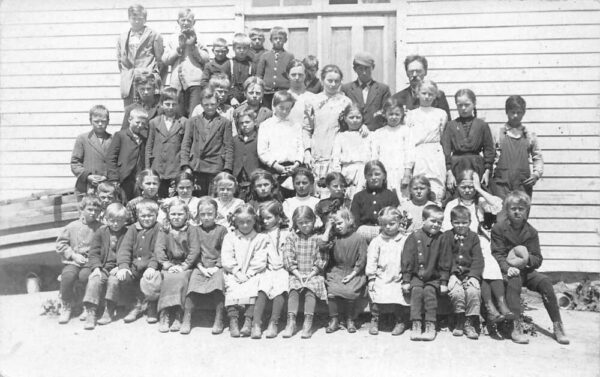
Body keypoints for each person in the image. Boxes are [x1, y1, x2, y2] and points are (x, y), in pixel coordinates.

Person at [491, 191, 569, 345]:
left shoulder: (531, 232)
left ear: (526, 210)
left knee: (545, 281)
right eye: (513, 208)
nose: (517, 211)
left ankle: (557, 325)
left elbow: (537, 258)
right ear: (507, 210)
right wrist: (508, 268)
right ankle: (516, 325)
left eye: (521, 208)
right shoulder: (499, 228)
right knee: (513, 282)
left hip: (526, 270)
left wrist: (526, 261)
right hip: (509, 271)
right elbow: (497, 254)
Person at [181, 197, 229, 334]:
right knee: (193, 284)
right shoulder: (194, 230)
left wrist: (217, 266)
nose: (206, 217)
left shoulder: (222, 230)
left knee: (219, 284)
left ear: (216, 214)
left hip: (217, 266)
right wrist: (200, 267)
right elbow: (193, 251)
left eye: (210, 214)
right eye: (203, 214)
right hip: (200, 266)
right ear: (198, 215)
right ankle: (187, 317)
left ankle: (219, 318)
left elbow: (225, 251)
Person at [221, 204, 271, 337]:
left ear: (255, 220)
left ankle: (248, 321)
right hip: (234, 272)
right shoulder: (230, 237)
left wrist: (248, 274)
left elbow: (260, 259)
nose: (245, 225)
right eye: (241, 222)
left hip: (253, 272)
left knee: (254, 286)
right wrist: (236, 272)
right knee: (231, 285)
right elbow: (227, 257)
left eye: (248, 221)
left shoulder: (260, 238)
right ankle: (233, 320)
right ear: (235, 222)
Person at [401, 204, 448, 341]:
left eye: (439, 222)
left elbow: (445, 261)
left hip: (434, 277)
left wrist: (444, 281)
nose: (436, 225)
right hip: (417, 276)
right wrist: (406, 280)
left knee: (429, 293)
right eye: (432, 221)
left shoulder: (442, 238)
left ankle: (430, 324)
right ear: (423, 220)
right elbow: (407, 259)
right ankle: (416, 323)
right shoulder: (414, 237)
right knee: (416, 292)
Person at [282, 206, 330, 338]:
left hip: (314, 273)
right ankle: (291, 322)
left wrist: (311, 274)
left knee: (310, 290)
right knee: (293, 289)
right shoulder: (291, 238)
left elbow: (322, 258)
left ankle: (307, 323)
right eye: (301, 223)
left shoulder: (318, 238)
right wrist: (297, 273)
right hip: (296, 273)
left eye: (307, 222)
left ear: (314, 220)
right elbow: (288, 257)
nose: (304, 225)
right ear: (296, 223)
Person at [155, 199, 201, 333]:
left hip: (185, 265)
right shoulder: (164, 229)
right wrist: (167, 265)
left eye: (180, 214)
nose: (176, 217)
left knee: (181, 279)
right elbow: (159, 249)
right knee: (168, 278)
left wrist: (184, 266)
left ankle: (178, 313)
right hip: (169, 264)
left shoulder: (191, 230)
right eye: (173, 214)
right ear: (168, 215)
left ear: (186, 215)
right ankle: (165, 313)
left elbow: (194, 250)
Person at [82, 203, 130, 330]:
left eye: (119, 221)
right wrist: (96, 267)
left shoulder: (128, 232)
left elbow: (130, 252)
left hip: (117, 267)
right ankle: (91, 311)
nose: (115, 224)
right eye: (112, 221)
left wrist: (121, 266)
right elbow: (94, 252)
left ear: (125, 220)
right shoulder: (101, 232)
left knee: (113, 281)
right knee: (94, 279)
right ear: (106, 219)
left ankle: (109, 309)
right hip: (102, 266)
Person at [56, 195, 103, 324]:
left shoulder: (101, 227)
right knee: (67, 276)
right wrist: (73, 255)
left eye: (97, 210)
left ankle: (86, 305)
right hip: (73, 260)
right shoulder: (72, 226)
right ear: (82, 209)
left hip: (90, 261)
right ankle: (66, 305)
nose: (93, 213)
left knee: (85, 276)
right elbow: (61, 244)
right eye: (90, 209)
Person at [307, 65, 353, 195]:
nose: (333, 84)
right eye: (329, 80)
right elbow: (307, 128)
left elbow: (353, 124)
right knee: (320, 193)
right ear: (322, 80)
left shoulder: (345, 102)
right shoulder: (313, 101)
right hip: (319, 152)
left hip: (338, 154)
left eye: (336, 81)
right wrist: (307, 151)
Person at [440, 205, 484, 339]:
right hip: (452, 275)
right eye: (456, 222)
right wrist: (452, 274)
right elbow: (445, 257)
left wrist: (474, 276)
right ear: (451, 222)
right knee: (456, 292)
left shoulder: (474, 237)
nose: (460, 225)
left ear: (470, 222)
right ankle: (459, 320)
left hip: (468, 274)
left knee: (473, 292)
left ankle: (469, 322)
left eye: (464, 223)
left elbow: (478, 259)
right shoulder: (447, 236)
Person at [115, 199, 162, 324]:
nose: (146, 219)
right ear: (138, 216)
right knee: (124, 277)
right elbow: (125, 249)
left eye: (150, 216)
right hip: (135, 266)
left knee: (152, 279)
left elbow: (159, 250)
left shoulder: (159, 228)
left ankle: (152, 305)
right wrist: (124, 266)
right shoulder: (132, 228)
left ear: (156, 215)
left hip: (152, 266)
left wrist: (152, 266)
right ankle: (135, 305)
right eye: (143, 216)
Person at [366, 207, 411, 336]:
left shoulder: (404, 240)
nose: (388, 227)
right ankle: (375, 319)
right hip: (382, 275)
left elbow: (408, 258)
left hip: (398, 276)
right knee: (376, 293)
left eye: (392, 224)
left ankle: (400, 320)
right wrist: (371, 278)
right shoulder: (377, 241)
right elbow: (372, 260)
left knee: (399, 296)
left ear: (399, 223)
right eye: (384, 224)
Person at [181, 88, 233, 196]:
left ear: (218, 103)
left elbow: (228, 147)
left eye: (213, 104)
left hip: (215, 167)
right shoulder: (192, 121)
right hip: (196, 167)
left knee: (212, 200)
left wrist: (227, 169)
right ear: (201, 105)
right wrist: (185, 165)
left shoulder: (224, 122)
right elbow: (186, 144)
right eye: (206, 105)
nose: (210, 107)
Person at [490, 96, 543, 200]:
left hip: (522, 184)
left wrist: (536, 174)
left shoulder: (529, 135)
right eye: (512, 112)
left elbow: (538, 157)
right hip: (501, 184)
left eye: (519, 112)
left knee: (520, 214)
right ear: (507, 112)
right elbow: (489, 157)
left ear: (524, 113)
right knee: (502, 214)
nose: (515, 115)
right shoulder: (498, 133)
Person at [442, 89, 495, 192]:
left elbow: (489, 149)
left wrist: (487, 170)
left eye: (467, 105)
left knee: (477, 193)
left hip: (476, 166)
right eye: (459, 105)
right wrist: (449, 172)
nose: (463, 108)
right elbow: (446, 151)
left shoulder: (482, 125)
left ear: (474, 104)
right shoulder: (450, 126)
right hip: (456, 166)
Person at [325, 208, 368, 334]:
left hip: (353, 271)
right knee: (332, 290)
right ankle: (334, 320)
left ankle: (350, 319)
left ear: (349, 221)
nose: (337, 227)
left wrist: (352, 274)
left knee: (350, 290)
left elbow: (362, 259)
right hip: (337, 270)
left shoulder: (359, 238)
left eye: (340, 223)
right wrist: (328, 229)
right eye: (335, 224)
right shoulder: (334, 238)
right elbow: (322, 245)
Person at [161, 8, 210, 117]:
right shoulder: (173, 37)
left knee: (194, 114)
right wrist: (179, 47)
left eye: (189, 20)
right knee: (179, 115)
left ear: (194, 22)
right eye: (183, 20)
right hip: (177, 83)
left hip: (195, 82)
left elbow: (206, 59)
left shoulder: (199, 37)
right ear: (178, 21)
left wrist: (193, 46)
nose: (186, 23)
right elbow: (165, 59)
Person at [406, 79, 448, 204]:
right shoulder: (411, 114)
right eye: (424, 93)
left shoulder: (441, 113)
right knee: (420, 183)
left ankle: (437, 206)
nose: (427, 97)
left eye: (431, 94)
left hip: (435, 151)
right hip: (418, 152)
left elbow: (442, 133)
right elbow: (410, 138)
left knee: (436, 183)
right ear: (417, 93)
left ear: (435, 96)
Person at [252, 201, 290, 339]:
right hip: (266, 268)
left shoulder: (287, 233)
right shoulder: (260, 234)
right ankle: (256, 323)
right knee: (262, 287)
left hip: (283, 268)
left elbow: (290, 252)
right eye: (263, 218)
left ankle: (273, 322)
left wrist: (284, 264)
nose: (265, 221)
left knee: (281, 287)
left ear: (278, 217)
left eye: (269, 218)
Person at [116, 4, 164, 107]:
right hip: (129, 81)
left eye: (140, 18)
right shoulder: (123, 37)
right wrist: (126, 74)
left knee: (148, 111)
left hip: (146, 80)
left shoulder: (153, 35)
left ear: (145, 19)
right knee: (131, 113)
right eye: (134, 18)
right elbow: (120, 61)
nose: (137, 21)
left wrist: (152, 75)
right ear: (129, 18)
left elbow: (160, 61)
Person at [257, 90, 303, 198]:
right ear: (274, 106)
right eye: (281, 108)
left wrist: (296, 164)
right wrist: (277, 167)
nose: (284, 111)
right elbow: (262, 151)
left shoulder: (295, 125)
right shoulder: (266, 125)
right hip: (275, 169)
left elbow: (300, 147)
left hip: (293, 168)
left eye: (288, 108)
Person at [146, 87, 188, 198]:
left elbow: (185, 146)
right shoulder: (154, 122)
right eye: (167, 104)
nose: (170, 107)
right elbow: (149, 146)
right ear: (161, 104)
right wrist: (148, 168)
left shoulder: (184, 122)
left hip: (175, 168)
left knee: (174, 198)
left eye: (174, 104)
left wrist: (184, 167)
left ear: (178, 104)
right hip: (158, 168)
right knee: (158, 197)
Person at [331, 103, 373, 200]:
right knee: (348, 199)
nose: (354, 120)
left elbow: (373, 155)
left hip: (364, 172)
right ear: (345, 118)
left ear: (362, 118)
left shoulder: (368, 135)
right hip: (347, 172)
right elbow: (335, 157)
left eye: (358, 117)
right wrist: (338, 177)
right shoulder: (341, 136)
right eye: (351, 117)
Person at [351, 160, 400, 242]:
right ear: (365, 177)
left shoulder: (391, 196)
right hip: (363, 234)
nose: (373, 177)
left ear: (384, 175)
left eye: (377, 174)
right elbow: (355, 220)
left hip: (385, 233)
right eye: (370, 175)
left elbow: (395, 217)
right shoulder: (358, 197)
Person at [107, 107, 149, 202]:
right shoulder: (120, 135)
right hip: (123, 178)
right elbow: (111, 158)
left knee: (137, 203)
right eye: (137, 122)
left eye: (143, 123)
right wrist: (114, 178)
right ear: (130, 120)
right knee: (123, 202)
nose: (140, 125)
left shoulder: (144, 139)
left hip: (137, 179)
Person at [341, 52, 391, 131]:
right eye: (360, 69)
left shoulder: (383, 89)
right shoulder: (346, 89)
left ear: (373, 67)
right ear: (354, 69)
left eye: (367, 68)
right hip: (353, 134)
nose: (364, 72)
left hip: (375, 133)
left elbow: (387, 112)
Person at [372, 97, 411, 196]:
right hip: (384, 171)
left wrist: (407, 173)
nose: (394, 117)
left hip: (401, 171)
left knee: (401, 198)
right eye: (391, 114)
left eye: (397, 114)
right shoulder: (379, 132)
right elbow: (374, 155)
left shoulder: (406, 131)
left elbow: (409, 152)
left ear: (402, 114)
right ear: (385, 114)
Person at [70, 105, 113, 195]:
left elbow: (116, 163)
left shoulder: (113, 140)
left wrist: (106, 176)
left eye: (103, 121)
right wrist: (88, 176)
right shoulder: (82, 139)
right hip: (86, 186)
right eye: (96, 121)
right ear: (90, 121)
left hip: (106, 186)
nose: (100, 124)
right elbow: (75, 163)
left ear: (108, 121)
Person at [392, 55, 450, 119]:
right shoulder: (397, 98)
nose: (414, 75)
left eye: (418, 71)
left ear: (425, 72)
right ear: (406, 73)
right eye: (411, 71)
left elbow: (447, 123)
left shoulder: (438, 96)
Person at [286, 59, 317, 159]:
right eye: (293, 74)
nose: (297, 78)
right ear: (288, 75)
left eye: (300, 74)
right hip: (289, 144)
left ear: (305, 75)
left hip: (308, 145)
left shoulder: (312, 98)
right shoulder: (282, 97)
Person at [256, 26, 295, 108]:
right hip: (267, 94)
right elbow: (259, 76)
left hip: (284, 93)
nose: (278, 41)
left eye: (280, 38)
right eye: (275, 38)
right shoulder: (265, 56)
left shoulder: (290, 56)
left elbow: (292, 75)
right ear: (271, 40)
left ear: (285, 40)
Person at [232, 109, 262, 201]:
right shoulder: (235, 140)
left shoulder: (260, 138)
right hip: (239, 177)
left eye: (247, 122)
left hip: (254, 176)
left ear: (255, 122)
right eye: (241, 123)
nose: (244, 125)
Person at [229, 33, 256, 106]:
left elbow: (254, 84)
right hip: (231, 98)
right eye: (239, 48)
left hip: (247, 98)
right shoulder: (229, 64)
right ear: (233, 48)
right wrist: (231, 98)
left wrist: (249, 98)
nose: (242, 50)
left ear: (248, 49)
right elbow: (225, 83)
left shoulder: (251, 65)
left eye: (244, 48)